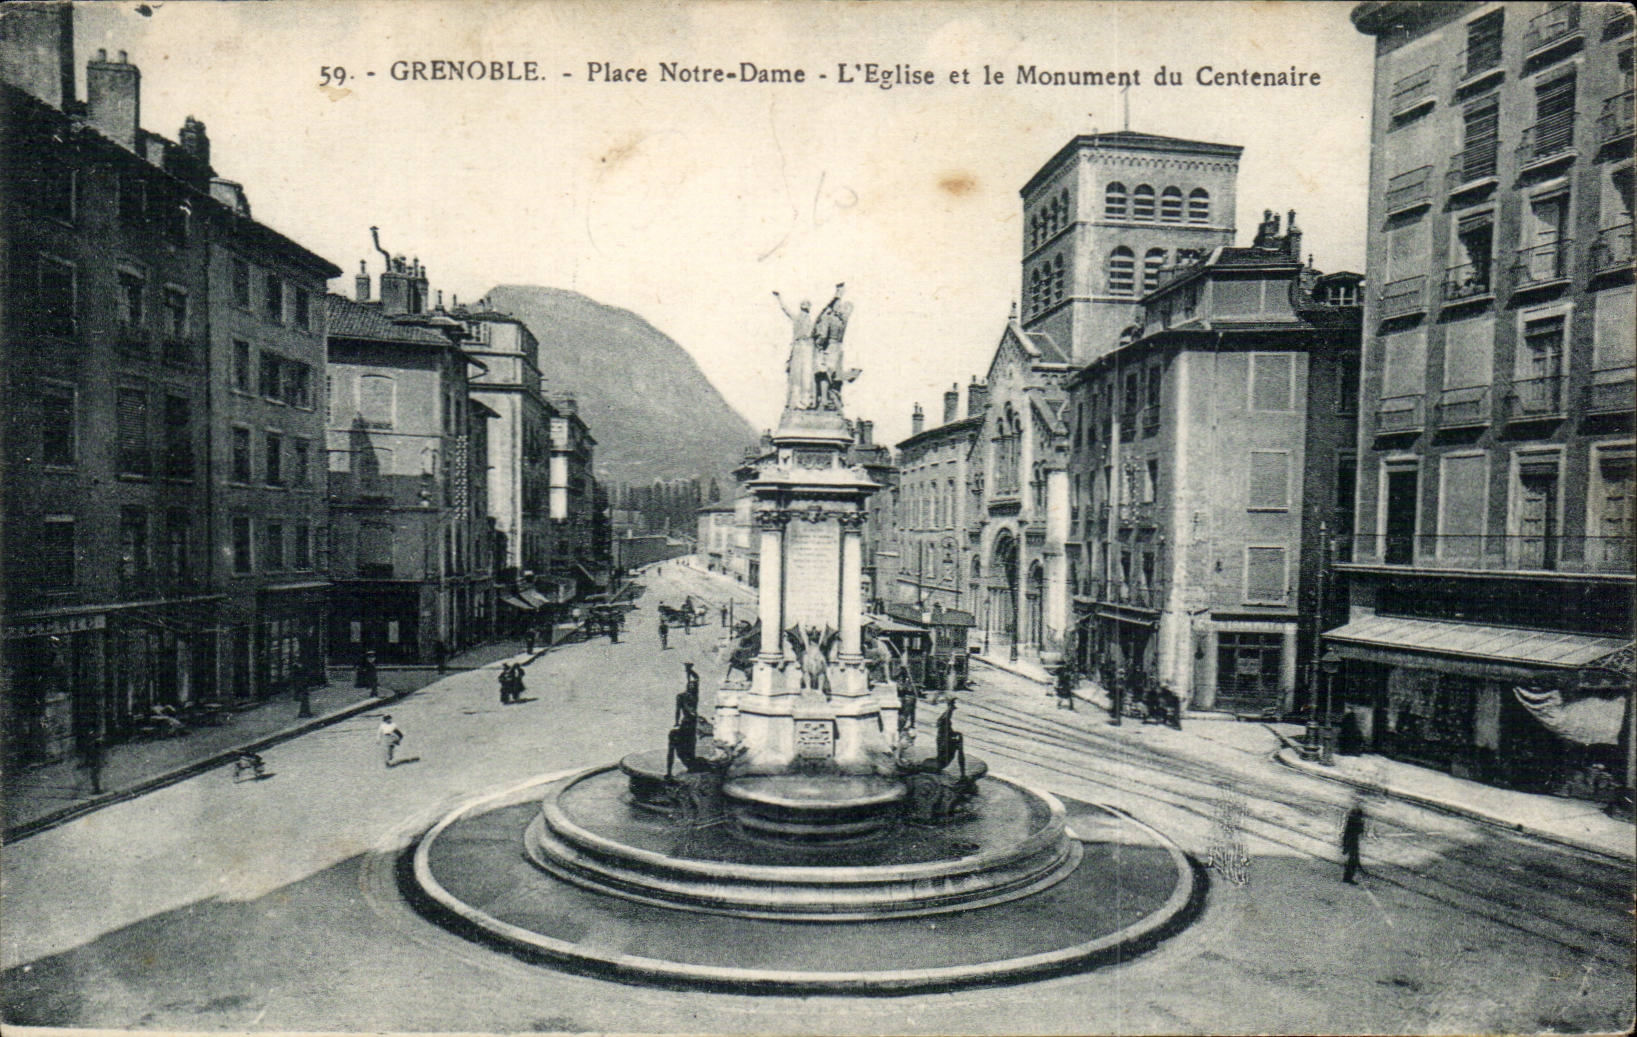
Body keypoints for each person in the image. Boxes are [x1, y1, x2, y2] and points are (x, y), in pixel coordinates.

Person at [773, 290, 816, 410]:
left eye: (807, 306)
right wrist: (779, 299)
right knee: (796, 375)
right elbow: (786, 310)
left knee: (807, 374)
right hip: (798, 346)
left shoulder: (811, 322)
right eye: (804, 306)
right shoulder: (797, 318)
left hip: (808, 347)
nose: (805, 308)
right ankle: (795, 401)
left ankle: (806, 401)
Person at [1341, 798, 1367, 883]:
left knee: (1353, 859)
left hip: (1350, 840)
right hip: (1352, 840)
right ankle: (1348, 878)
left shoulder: (1351, 818)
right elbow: (1359, 831)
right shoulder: (1355, 820)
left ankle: (1348, 877)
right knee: (1353, 860)